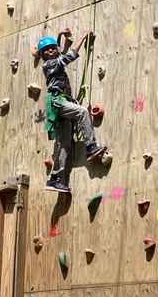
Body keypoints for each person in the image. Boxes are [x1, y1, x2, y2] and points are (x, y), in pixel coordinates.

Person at [37, 30, 106, 193]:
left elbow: (59, 52)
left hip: (62, 103)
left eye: (52, 48)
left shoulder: (54, 59)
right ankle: (90, 146)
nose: (50, 51)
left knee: (65, 144)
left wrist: (60, 36)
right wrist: (82, 38)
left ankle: (54, 179)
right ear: (43, 55)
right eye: (46, 50)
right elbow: (69, 56)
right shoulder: (49, 64)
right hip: (58, 102)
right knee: (82, 112)